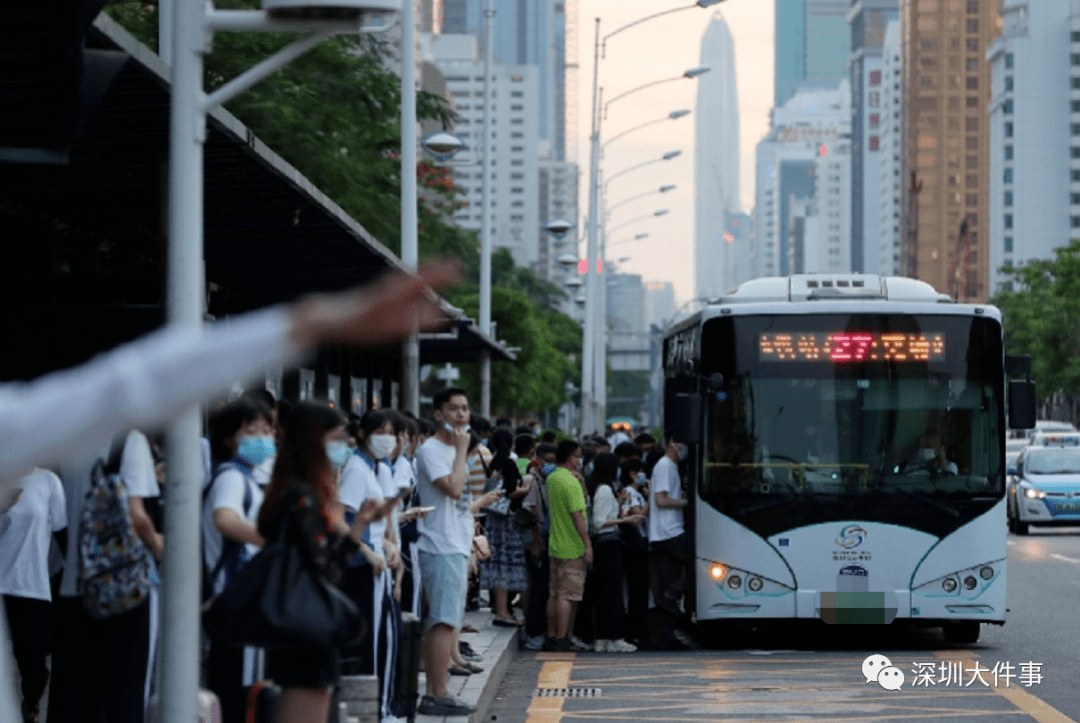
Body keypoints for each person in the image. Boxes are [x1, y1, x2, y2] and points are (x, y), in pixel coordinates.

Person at [0, 262, 459, 723]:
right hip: (207, 599)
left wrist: (311, 322)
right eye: (253, 428)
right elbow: (125, 391)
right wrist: (313, 322)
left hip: (181, 598)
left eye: (267, 428)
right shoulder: (222, 475)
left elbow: (120, 388)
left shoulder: (73, 441)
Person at [257, 401, 391, 723]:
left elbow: (329, 562)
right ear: (314, 442)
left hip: (301, 622)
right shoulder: (302, 498)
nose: (345, 445)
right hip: (305, 627)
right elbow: (325, 568)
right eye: (337, 437)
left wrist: (358, 524)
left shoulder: (292, 492)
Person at [48, 428, 164, 723]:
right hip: (122, 590)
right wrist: (166, 550)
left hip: (73, 587)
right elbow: (138, 518)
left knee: (74, 697)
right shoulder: (131, 440)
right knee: (121, 695)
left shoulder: (70, 441)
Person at [202, 400, 274, 723]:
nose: (262, 437)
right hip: (234, 604)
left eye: (267, 430)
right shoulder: (231, 477)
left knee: (248, 692)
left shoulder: (247, 478)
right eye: (250, 430)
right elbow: (225, 519)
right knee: (237, 695)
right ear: (230, 438)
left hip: (246, 605)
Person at [414, 387, 476, 716]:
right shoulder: (432, 450)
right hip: (439, 545)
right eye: (454, 409)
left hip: (455, 545)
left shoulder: (452, 450)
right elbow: (453, 490)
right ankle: (436, 694)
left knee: (448, 622)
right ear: (438, 414)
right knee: (441, 622)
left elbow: (463, 507)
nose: (462, 415)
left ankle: (439, 691)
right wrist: (463, 451)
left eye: (465, 409)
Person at [338, 410, 401, 723]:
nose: (387, 437)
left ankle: (382, 709)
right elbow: (339, 520)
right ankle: (377, 711)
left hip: (376, 560)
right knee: (373, 642)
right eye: (381, 431)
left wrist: (387, 545)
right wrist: (366, 549)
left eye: (391, 431)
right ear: (363, 433)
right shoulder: (357, 469)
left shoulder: (371, 467)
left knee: (383, 637)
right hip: (364, 565)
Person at [0, 468, 66, 723]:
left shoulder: (47, 481)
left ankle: (30, 707)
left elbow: (63, 533)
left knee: (36, 669)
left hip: (31, 586)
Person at [478, 428, 532, 627]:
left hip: (493, 521)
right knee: (505, 567)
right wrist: (527, 489)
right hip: (506, 523)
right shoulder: (509, 463)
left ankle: (500, 609)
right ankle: (502, 612)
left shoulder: (493, 463)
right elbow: (511, 492)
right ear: (512, 444)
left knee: (498, 566)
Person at [543, 440, 592, 652]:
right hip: (572, 545)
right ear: (572, 457)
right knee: (568, 595)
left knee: (554, 593)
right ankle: (563, 637)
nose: (580, 460)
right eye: (578, 456)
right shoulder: (570, 482)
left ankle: (553, 635)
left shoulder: (553, 478)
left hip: (555, 543)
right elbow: (578, 515)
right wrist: (587, 544)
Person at [589, 453, 641, 653]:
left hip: (605, 545)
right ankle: (615, 637)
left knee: (605, 592)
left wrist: (619, 506)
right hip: (608, 545)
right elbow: (599, 522)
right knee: (613, 592)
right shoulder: (603, 490)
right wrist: (625, 520)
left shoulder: (604, 489)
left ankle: (604, 637)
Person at [648, 434, 690, 650]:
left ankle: (666, 635)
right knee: (700, 562)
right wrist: (686, 501)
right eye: (682, 442)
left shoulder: (669, 467)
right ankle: (670, 597)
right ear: (673, 442)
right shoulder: (665, 466)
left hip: (666, 531)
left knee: (667, 580)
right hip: (669, 531)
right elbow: (661, 500)